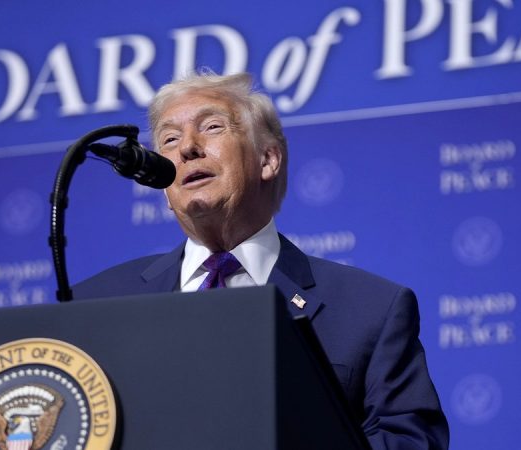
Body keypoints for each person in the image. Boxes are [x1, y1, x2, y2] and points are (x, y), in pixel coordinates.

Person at [73, 72, 449, 449]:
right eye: (169, 139)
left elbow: (411, 440)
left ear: (267, 160)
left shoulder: (370, 309)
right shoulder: (93, 305)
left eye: (212, 127)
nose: (187, 147)